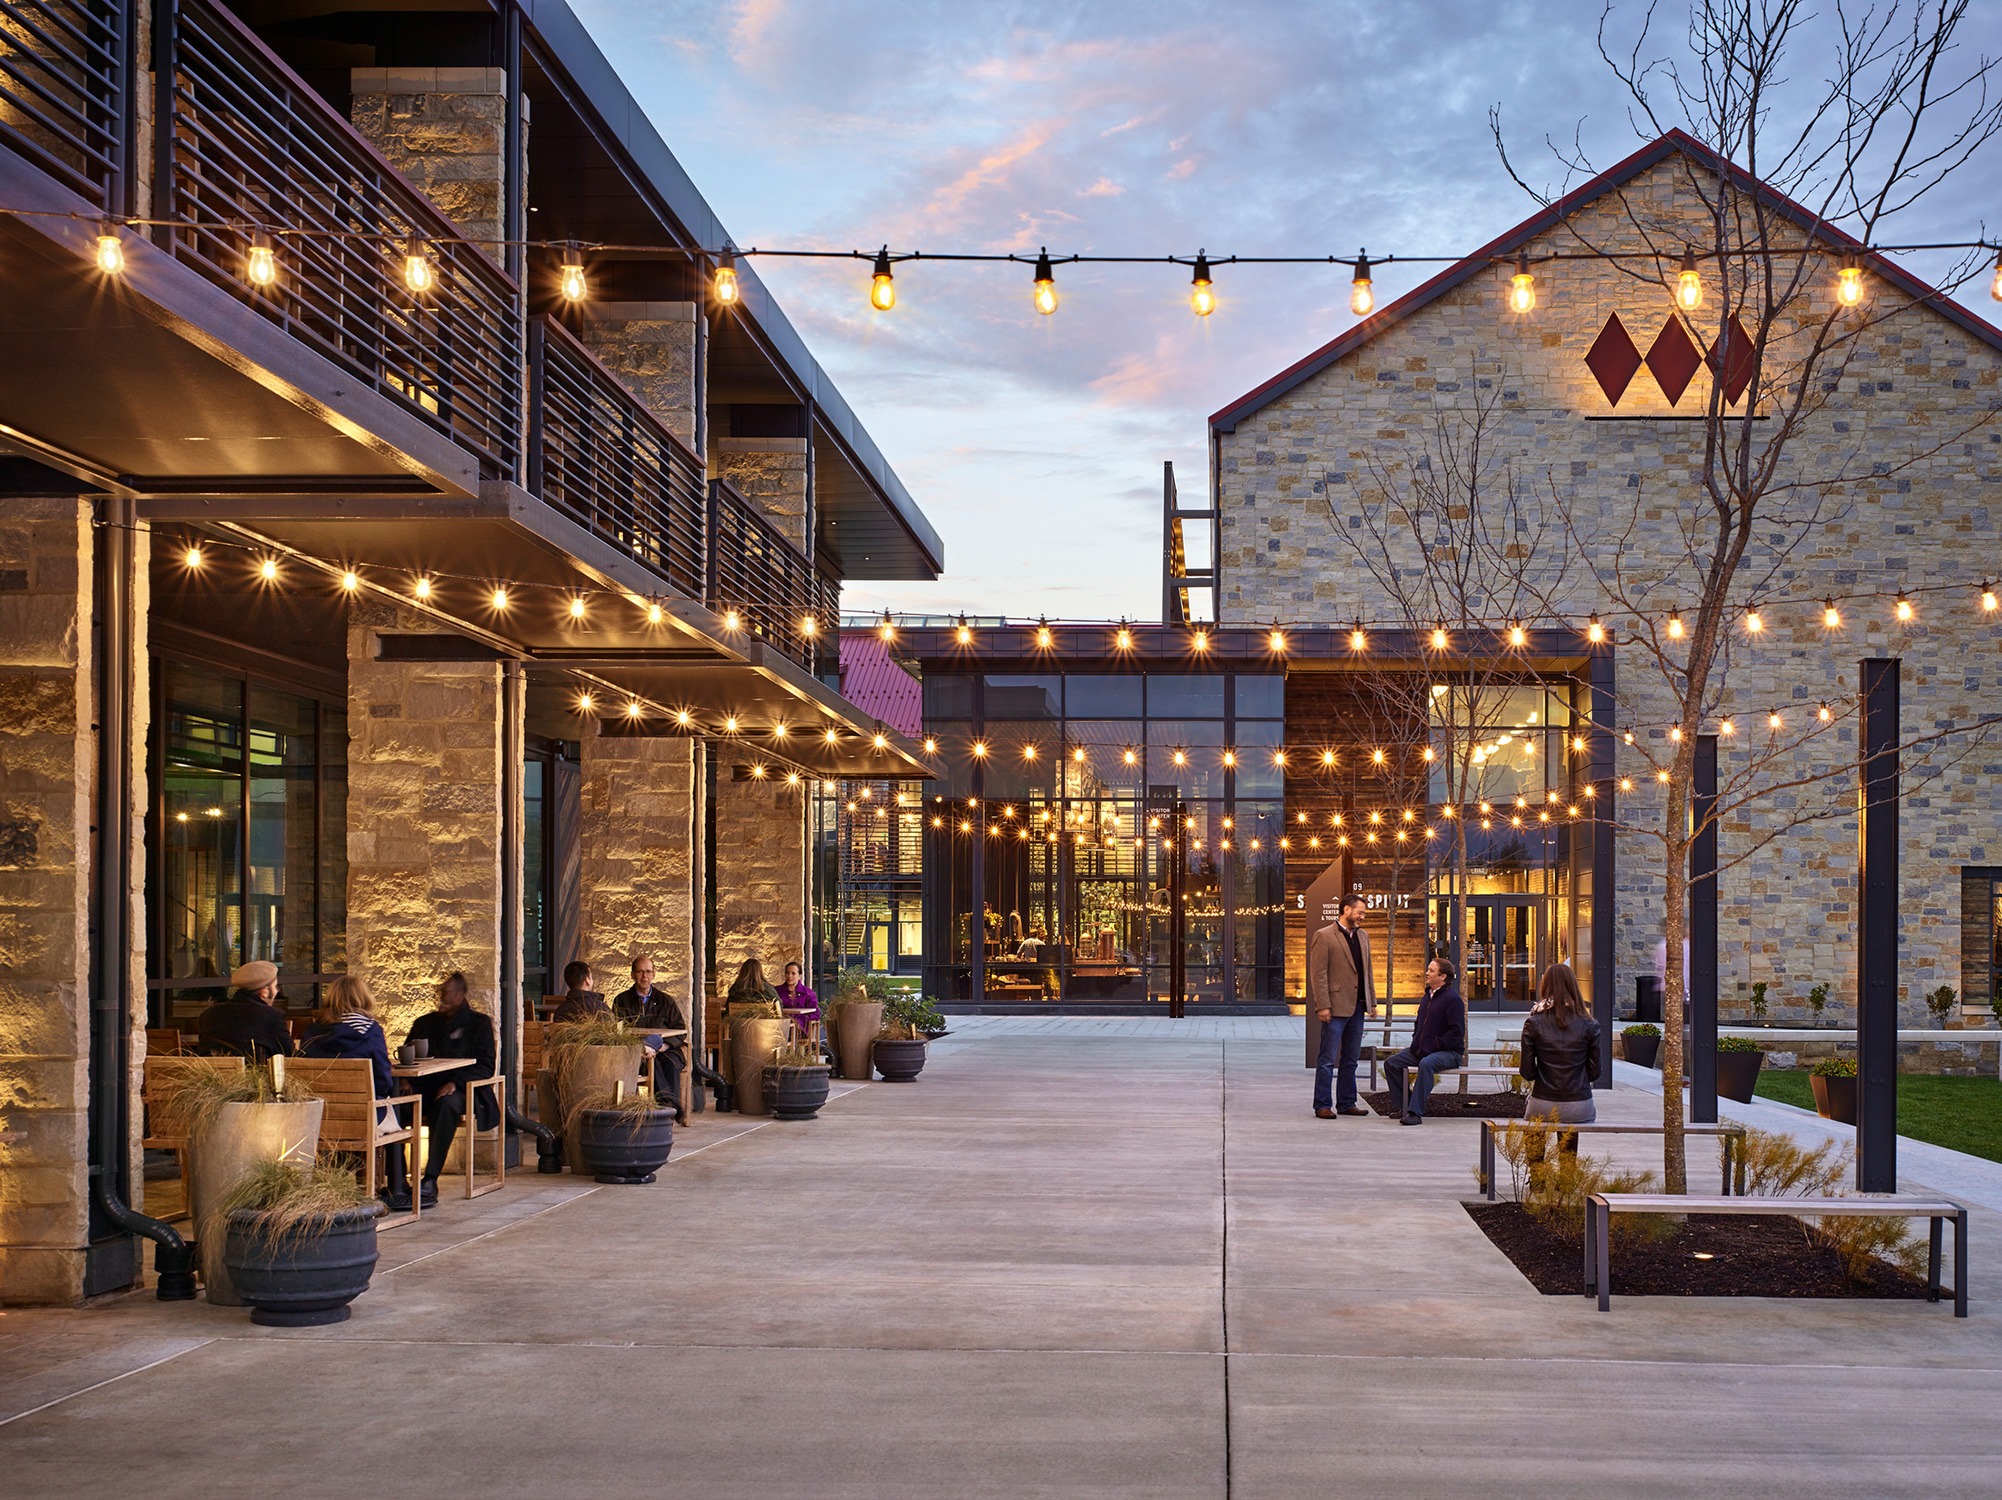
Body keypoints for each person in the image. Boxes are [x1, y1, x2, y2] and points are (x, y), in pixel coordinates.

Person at [301, 974, 415, 1211]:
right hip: (363, 1118)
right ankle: (397, 1187)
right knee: (396, 1105)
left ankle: (343, 1188)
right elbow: (383, 1080)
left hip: (321, 1119)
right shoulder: (371, 1031)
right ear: (363, 998)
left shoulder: (312, 1032)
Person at [405, 972, 498, 1208]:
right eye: (441, 993)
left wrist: (456, 1082)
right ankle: (397, 1182)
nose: (442, 998)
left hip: (465, 1090)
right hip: (425, 1087)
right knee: (394, 1106)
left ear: (460, 995)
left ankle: (430, 1179)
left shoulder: (479, 1024)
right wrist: (405, 1081)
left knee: (445, 1105)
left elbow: (486, 1066)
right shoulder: (424, 1023)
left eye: (446, 993)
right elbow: (408, 1054)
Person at [1519, 962, 1602, 1154]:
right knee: (1569, 1122)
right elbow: (1595, 1073)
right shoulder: (1590, 1025)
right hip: (1579, 1104)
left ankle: (1537, 1170)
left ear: (1545, 986)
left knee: (1535, 1119)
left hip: (1543, 1100)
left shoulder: (1533, 1023)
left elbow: (1527, 1073)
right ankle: (1567, 1168)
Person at [1306, 893, 1375, 1119]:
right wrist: (1322, 1005)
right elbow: (1318, 975)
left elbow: (1367, 972)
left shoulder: (1363, 936)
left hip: (1358, 1007)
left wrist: (1372, 1001)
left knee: (1351, 1059)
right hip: (1335, 1007)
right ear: (1346, 910)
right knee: (1327, 1059)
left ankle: (1347, 1103)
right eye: (1360, 912)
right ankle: (1322, 1105)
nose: (1363, 917)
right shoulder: (1324, 935)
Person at [1384, 957, 1466, 1126]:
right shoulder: (1427, 996)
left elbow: (1456, 1032)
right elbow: (1419, 1023)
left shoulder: (1453, 1000)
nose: (1427, 973)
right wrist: (1416, 1041)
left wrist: (1435, 1045)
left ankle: (1415, 1113)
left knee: (1426, 1064)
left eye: (1431, 970)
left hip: (1449, 1053)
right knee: (1391, 1063)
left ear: (1442, 976)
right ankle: (1404, 1106)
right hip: (1423, 1049)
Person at [612, 954, 693, 1121]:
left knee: (670, 1063)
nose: (644, 976)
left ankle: (666, 1107)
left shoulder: (665, 1001)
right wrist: (639, 1047)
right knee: (651, 1062)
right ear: (632, 974)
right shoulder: (622, 1000)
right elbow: (618, 1029)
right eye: (640, 972)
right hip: (636, 1051)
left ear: (654, 974)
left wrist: (664, 1046)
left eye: (648, 972)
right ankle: (671, 1107)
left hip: (665, 1049)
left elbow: (679, 1029)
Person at [196, 960, 295, 1061]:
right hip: (255, 1071)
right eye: (275, 986)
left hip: (210, 1071)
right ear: (264, 991)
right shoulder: (272, 1016)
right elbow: (288, 1055)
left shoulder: (208, 1015)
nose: (277, 991)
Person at [774, 961, 819, 1042]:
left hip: (801, 1030)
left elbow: (816, 1013)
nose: (789, 976)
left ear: (799, 976)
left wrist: (800, 1021)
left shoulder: (808, 993)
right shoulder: (777, 991)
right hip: (781, 1028)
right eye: (787, 973)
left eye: (793, 973)